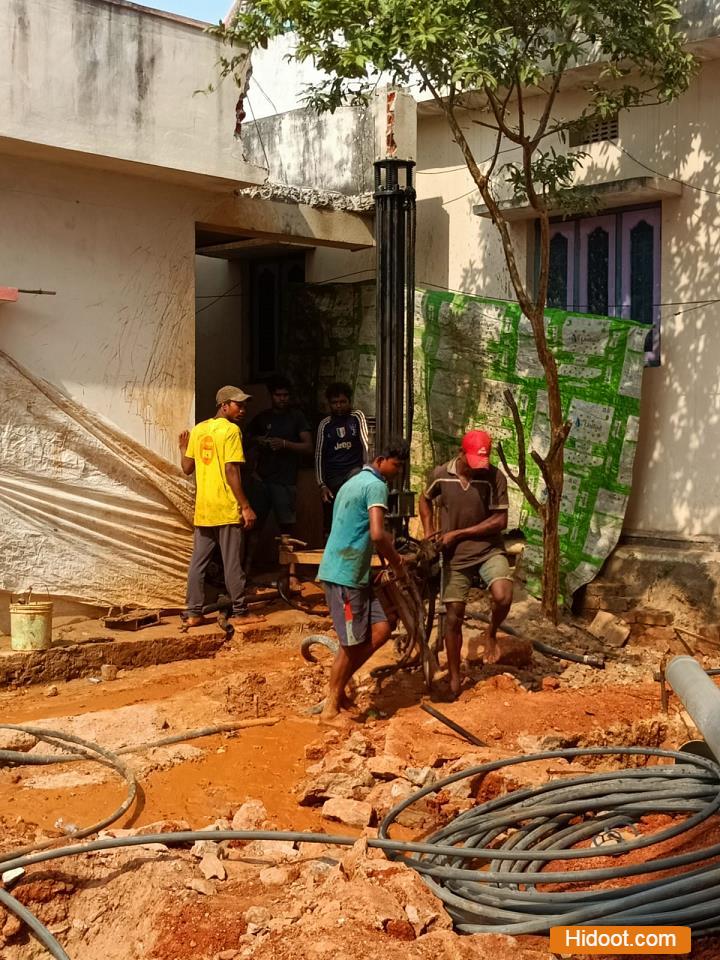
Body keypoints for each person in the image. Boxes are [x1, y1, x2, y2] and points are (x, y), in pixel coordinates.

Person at [317, 439, 410, 720]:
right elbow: (377, 533)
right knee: (351, 644)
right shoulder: (376, 485)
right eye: (396, 465)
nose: (398, 472)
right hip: (344, 575)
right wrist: (398, 561)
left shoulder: (354, 482)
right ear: (381, 459)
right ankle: (330, 707)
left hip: (354, 573)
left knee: (381, 628)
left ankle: (340, 687)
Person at [418, 429, 513, 697]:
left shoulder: (494, 477)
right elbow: (424, 500)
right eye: (473, 463)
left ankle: (491, 632)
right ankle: (455, 679)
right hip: (454, 557)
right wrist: (429, 531)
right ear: (461, 454)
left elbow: (500, 521)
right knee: (453, 616)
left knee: (503, 596)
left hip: (488, 549)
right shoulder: (441, 476)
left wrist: (459, 533)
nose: (477, 469)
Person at [179, 385, 256, 627]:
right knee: (232, 562)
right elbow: (231, 469)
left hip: (204, 509)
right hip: (225, 507)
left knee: (198, 563)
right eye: (238, 405)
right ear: (224, 406)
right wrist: (245, 505)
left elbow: (187, 468)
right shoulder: (231, 431)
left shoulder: (199, 429)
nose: (242, 409)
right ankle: (241, 612)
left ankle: (193, 612)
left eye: (243, 405)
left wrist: (183, 448)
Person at [245, 376, 313, 537]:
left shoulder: (296, 417)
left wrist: (284, 444)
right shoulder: (263, 418)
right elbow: (244, 440)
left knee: (287, 529)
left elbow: (308, 447)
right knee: (254, 527)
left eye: (285, 395)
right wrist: (259, 440)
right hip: (261, 480)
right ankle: (247, 563)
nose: (282, 399)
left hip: (285, 482)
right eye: (278, 395)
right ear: (271, 396)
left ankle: (288, 563)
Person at [315, 382, 369, 537]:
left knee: (354, 516)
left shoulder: (357, 417)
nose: (339, 406)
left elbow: (366, 445)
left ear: (349, 401)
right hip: (332, 479)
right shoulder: (325, 424)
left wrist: (367, 473)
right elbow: (319, 455)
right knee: (330, 523)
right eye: (334, 403)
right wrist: (321, 484)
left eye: (342, 402)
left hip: (353, 473)